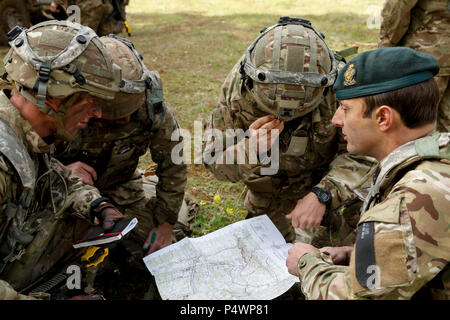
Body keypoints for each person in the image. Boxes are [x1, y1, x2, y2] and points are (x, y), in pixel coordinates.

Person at [286, 47, 450, 300]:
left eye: (345, 108)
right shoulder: (436, 157)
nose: (336, 120)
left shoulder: (416, 196)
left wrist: (306, 263)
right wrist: (355, 254)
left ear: (383, 118)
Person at [203, 17, 375, 245]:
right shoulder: (239, 91)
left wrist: (323, 194)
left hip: (327, 178)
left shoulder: (341, 87)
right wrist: (250, 148)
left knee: (363, 238)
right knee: (272, 254)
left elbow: (366, 155)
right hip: (271, 187)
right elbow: (215, 164)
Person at [0, 20, 125, 299]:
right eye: (89, 102)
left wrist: (96, 204)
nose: (97, 114)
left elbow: (55, 177)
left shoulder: (27, 132)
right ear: (54, 99)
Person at [54, 35, 190, 260]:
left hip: (122, 189)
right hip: (60, 193)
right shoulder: (63, 107)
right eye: (115, 114)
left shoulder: (153, 109)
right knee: (58, 262)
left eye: (131, 109)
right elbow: (26, 163)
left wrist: (165, 222)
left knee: (165, 250)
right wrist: (61, 171)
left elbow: (173, 165)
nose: (126, 120)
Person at [378, 0, 449, 132]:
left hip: (426, 54)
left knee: (413, 125)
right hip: (434, 54)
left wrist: (385, 47)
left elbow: (398, 7)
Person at [50, 0, 127, 36]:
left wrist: (56, 2)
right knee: (105, 38)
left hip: (90, 6)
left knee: (84, 37)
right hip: (106, 5)